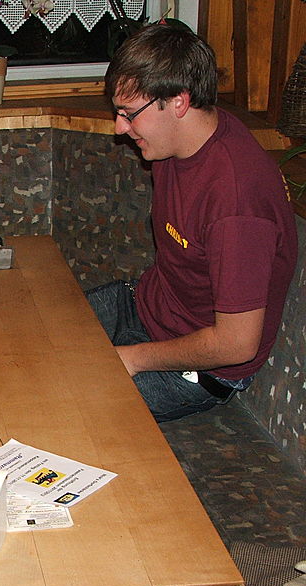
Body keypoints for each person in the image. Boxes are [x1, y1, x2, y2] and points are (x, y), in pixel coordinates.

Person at [86, 24, 298, 422]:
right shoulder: (174, 143)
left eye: (129, 114)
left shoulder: (237, 202)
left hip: (198, 370)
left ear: (179, 102)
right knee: (31, 338)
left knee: (65, 399)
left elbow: (236, 345)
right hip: (144, 307)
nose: (119, 127)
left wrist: (132, 358)